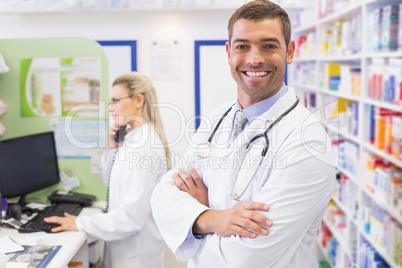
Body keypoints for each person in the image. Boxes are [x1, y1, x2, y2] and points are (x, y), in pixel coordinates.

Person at [150, 0, 336, 267]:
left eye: (269, 45)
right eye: (242, 46)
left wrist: (194, 220)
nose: (254, 58)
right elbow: (162, 195)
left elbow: (248, 258)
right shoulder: (216, 119)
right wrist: (214, 219)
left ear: (290, 51)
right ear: (228, 52)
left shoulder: (307, 142)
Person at [45, 72, 170, 268]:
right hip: (126, 250)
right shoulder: (133, 139)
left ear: (138, 100)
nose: (111, 108)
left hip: (135, 257)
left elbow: (131, 218)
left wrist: (80, 223)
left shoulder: (143, 148)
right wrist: (114, 147)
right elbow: (111, 181)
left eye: (116, 101)